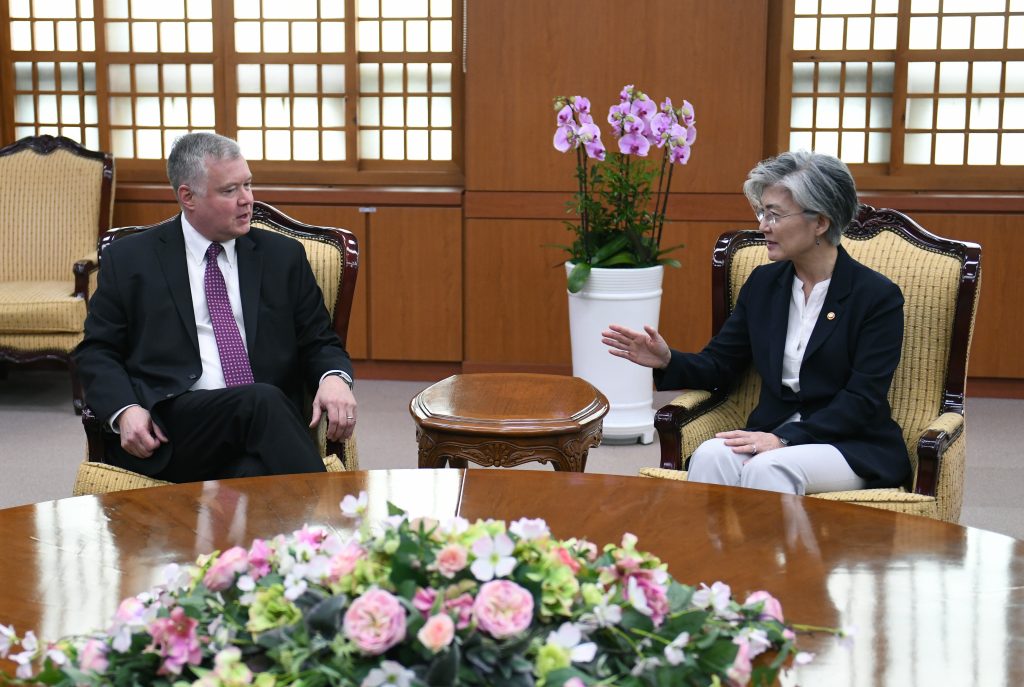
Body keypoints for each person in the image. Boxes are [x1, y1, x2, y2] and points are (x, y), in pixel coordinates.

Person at [602, 151, 908, 495]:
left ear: (820, 223)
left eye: (774, 215)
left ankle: (777, 553)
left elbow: (863, 399)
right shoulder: (764, 285)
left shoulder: (876, 296)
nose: (763, 225)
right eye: (762, 212)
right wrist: (668, 359)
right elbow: (720, 365)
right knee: (709, 456)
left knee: (769, 467)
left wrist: (784, 438)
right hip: (772, 431)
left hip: (849, 443)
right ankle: (707, 552)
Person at [74, 132, 356, 482]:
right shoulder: (132, 260)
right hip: (175, 429)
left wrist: (333, 379)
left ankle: (299, 532)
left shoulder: (283, 257)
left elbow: (320, 340)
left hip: (267, 428)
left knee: (251, 472)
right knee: (259, 402)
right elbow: (96, 351)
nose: (247, 200)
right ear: (188, 197)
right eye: (230, 191)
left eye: (248, 185)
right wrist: (125, 410)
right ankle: (338, 526)